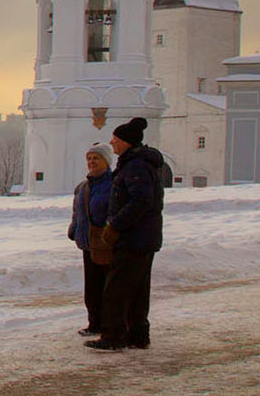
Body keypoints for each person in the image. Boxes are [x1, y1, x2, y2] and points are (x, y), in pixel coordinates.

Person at [86, 116, 165, 351]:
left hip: (134, 238)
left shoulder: (135, 166)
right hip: (143, 237)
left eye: (116, 139)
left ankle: (114, 336)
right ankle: (138, 335)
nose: (112, 143)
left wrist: (115, 226)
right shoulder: (136, 163)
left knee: (116, 290)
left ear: (127, 142)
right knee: (138, 290)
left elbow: (140, 201)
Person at [67, 143, 115, 337]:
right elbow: (76, 211)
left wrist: (108, 232)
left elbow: (113, 211)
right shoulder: (83, 187)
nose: (92, 162)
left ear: (106, 161)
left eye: (96, 158)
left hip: (104, 243)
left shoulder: (113, 184)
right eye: (89, 158)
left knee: (107, 286)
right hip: (87, 242)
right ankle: (94, 322)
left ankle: (109, 325)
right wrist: (74, 229)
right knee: (92, 287)